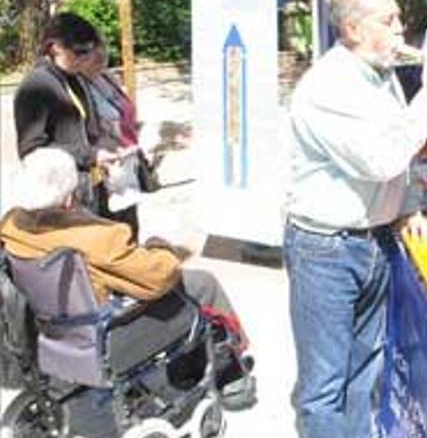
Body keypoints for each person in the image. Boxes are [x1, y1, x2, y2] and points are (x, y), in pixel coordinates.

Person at [282, 0, 427, 438]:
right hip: (326, 250)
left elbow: (400, 158)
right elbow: (383, 157)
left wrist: (408, 207)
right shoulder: (329, 86)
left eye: (398, 18)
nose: (400, 29)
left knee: (364, 369)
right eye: (388, 19)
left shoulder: (381, 74)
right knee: (325, 386)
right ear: (353, 29)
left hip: (370, 240)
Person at [0, 148, 256, 415]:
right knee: (202, 284)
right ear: (67, 200)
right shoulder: (97, 238)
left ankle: (190, 367)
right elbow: (160, 277)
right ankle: (230, 376)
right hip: (103, 331)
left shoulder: (11, 225)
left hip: (52, 326)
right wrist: (161, 247)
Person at [13, 12, 117, 213]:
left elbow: (89, 128)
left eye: (88, 51)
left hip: (87, 185)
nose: (85, 58)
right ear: (55, 48)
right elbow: (31, 148)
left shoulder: (74, 78)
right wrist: (90, 155)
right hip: (58, 196)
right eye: (79, 52)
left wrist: (107, 146)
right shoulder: (36, 86)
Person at [78, 41, 145, 240]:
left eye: (101, 46)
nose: (100, 53)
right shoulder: (79, 86)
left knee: (130, 227)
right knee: (113, 234)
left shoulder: (107, 78)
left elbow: (123, 111)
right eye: (92, 48)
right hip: (104, 170)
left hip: (126, 165)